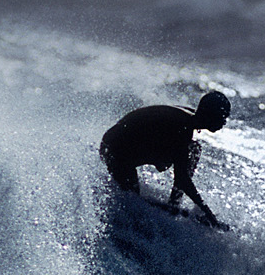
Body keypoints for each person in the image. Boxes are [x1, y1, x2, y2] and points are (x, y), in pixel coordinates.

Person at [99, 90, 232, 227]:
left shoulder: (189, 119)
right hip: (115, 148)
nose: (224, 122)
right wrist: (209, 215)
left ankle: (173, 205)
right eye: (222, 117)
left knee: (194, 150)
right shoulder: (183, 126)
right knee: (134, 202)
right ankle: (170, 209)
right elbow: (182, 178)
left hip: (130, 143)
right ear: (209, 115)